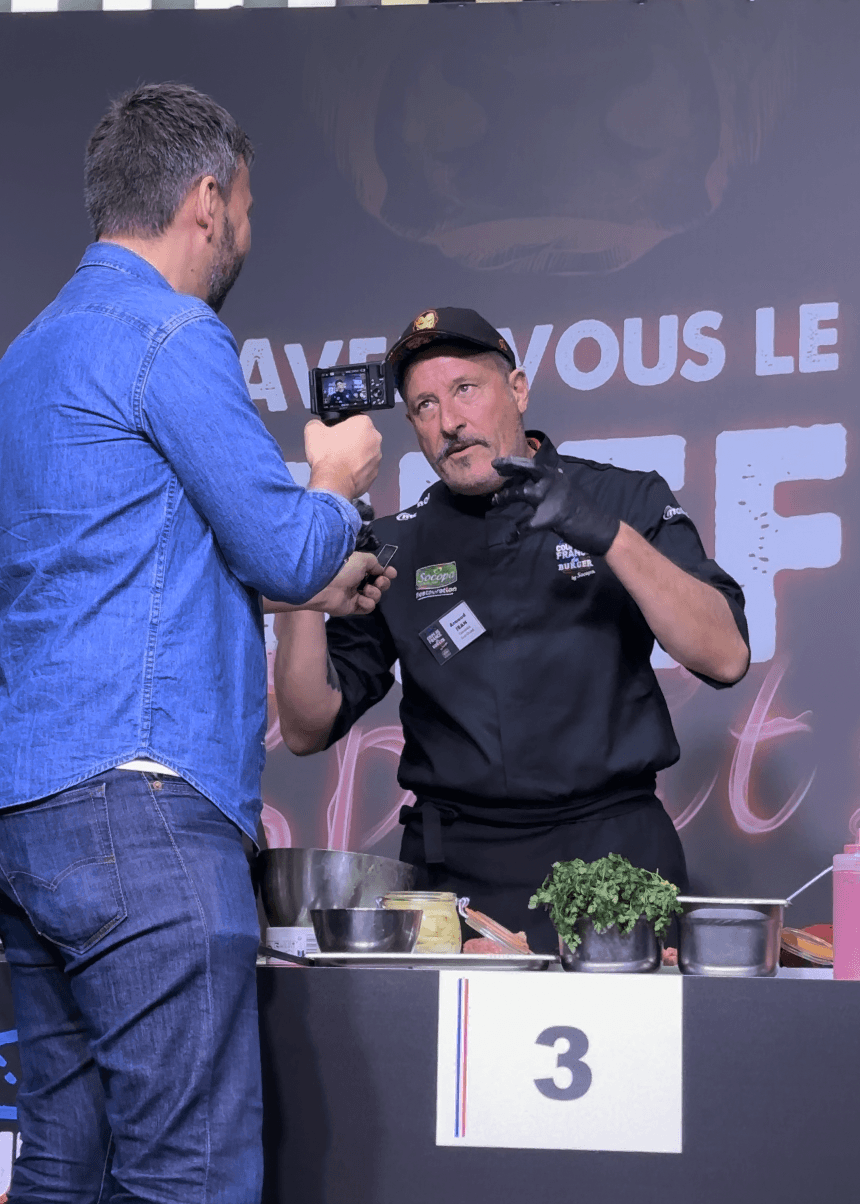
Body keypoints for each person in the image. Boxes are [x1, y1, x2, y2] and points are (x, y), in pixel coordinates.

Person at [0, 83, 392, 1204]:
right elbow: (283, 546)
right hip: (144, 811)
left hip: (30, 808)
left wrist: (305, 572)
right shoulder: (171, 332)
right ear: (207, 201)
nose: (246, 232)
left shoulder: (25, 357)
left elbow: (110, 560)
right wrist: (335, 482)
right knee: (192, 1170)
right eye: (249, 208)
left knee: (67, 1159)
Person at [273, 307, 750, 950]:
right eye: (425, 405)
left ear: (518, 389)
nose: (449, 421)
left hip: (616, 859)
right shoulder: (394, 544)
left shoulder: (624, 499)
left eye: (466, 388)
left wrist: (607, 536)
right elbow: (307, 726)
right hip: (454, 879)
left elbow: (725, 656)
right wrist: (305, 568)